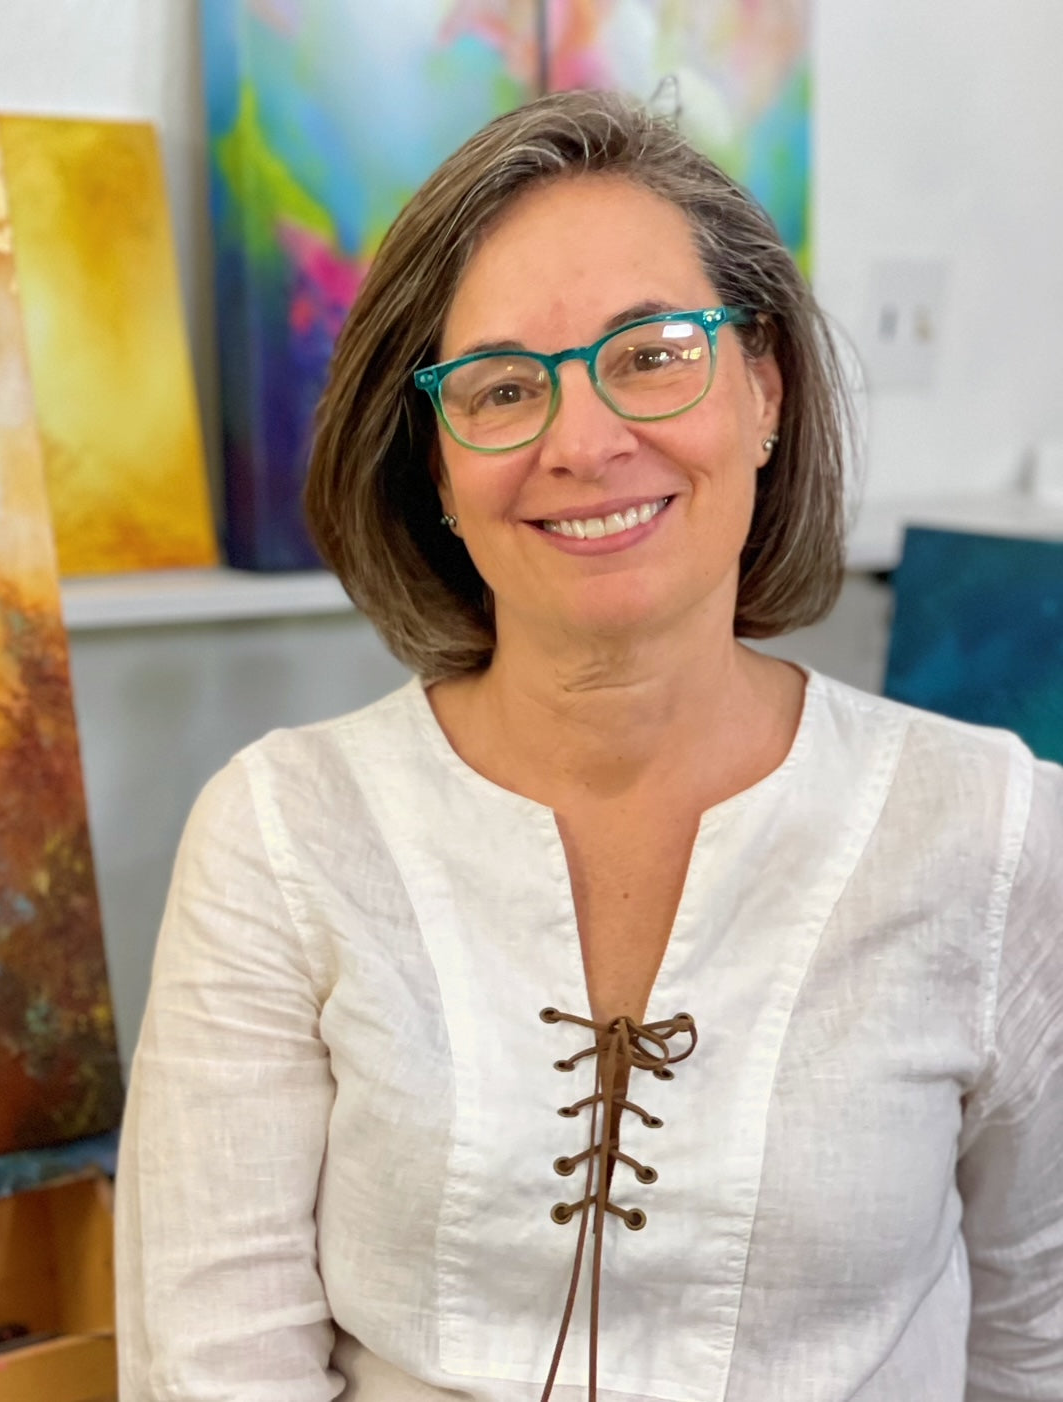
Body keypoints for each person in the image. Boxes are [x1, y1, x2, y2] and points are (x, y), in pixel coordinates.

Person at [115, 89, 1063, 1401]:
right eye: (501, 387)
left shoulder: (1001, 833)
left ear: (764, 389)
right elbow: (213, 1370)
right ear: (437, 466)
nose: (584, 439)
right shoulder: (278, 834)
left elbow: (1040, 1344)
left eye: (654, 352)